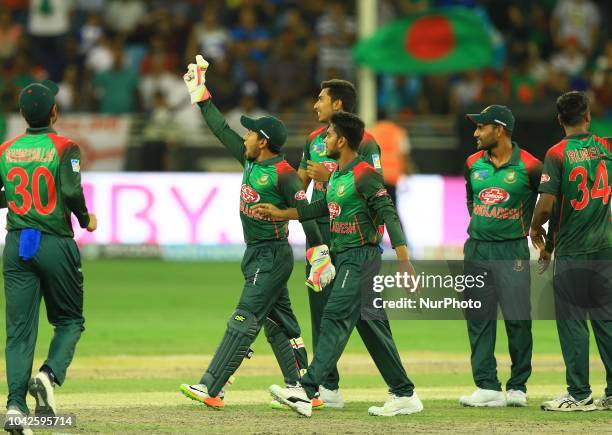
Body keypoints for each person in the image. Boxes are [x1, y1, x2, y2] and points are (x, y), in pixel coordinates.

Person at [178, 55, 334, 410]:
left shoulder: (284, 174)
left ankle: (212, 387)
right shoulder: (249, 161)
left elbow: (307, 212)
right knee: (281, 325)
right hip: (255, 253)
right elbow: (221, 130)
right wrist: (202, 96)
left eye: (250, 132)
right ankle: (306, 389)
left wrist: (319, 251)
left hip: (272, 254)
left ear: (262, 141)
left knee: (245, 314)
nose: (244, 135)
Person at [253, 111, 423, 418]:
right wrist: (282, 214)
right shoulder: (339, 177)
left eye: (329, 135)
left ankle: (306, 391)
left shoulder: (364, 174)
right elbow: (321, 208)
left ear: (342, 140)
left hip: (361, 257)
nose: (324, 139)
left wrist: (403, 260)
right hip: (344, 256)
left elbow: (388, 212)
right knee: (373, 329)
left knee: (333, 317)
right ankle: (404, 394)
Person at [1, 80, 97, 433]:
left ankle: (14, 407)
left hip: (16, 245)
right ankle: (48, 374)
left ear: (23, 114)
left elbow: (4, 193)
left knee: (19, 332)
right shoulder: (65, 147)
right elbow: (72, 191)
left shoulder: (6, 149)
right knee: (70, 320)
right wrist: (86, 219)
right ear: (54, 112)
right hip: (54, 241)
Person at [294, 78, 383, 409]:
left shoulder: (368, 143)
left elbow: (373, 187)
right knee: (320, 309)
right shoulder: (313, 140)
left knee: (361, 313)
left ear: (339, 106)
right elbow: (300, 184)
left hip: (352, 236)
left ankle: (399, 387)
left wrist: (329, 176)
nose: (315, 105)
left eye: (321, 99)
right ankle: (327, 388)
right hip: (319, 233)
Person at [531, 91, 611, 411]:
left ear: (560, 120)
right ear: (588, 117)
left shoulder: (557, 153)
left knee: (572, 321)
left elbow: (548, 206)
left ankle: (578, 394)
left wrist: (536, 229)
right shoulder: (606, 147)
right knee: (606, 320)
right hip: (606, 247)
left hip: (575, 250)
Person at [460, 105, 541, 408]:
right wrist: (482, 222)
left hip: (512, 250)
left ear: (500, 129)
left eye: (481, 127)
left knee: (518, 319)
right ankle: (487, 387)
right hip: (477, 248)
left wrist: (534, 230)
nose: (475, 133)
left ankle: (518, 386)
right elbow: (471, 197)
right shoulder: (472, 162)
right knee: (478, 318)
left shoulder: (531, 166)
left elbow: (546, 201)